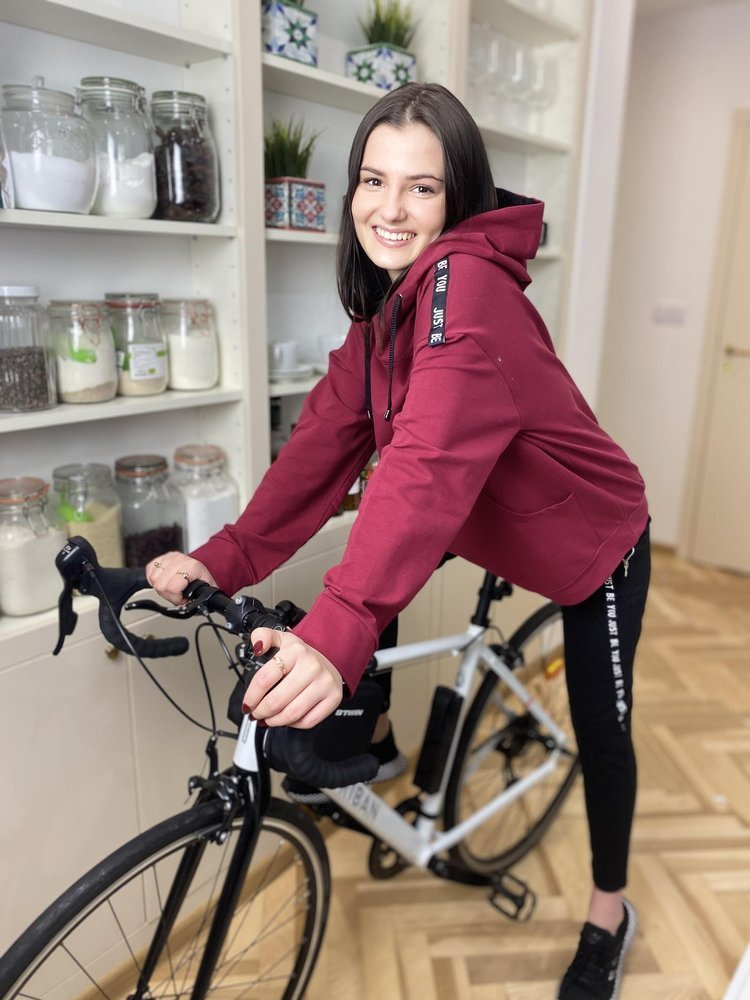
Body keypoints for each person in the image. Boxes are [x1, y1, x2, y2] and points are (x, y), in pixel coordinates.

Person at [147, 82, 650, 1000]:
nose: (390, 208)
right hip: (481, 507)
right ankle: (375, 734)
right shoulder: (387, 311)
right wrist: (220, 559)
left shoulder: (470, 292)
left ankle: (609, 915)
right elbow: (321, 450)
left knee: (601, 729)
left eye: (422, 187)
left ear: (458, 198)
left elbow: (423, 466)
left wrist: (339, 633)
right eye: (374, 180)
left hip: (589, 537)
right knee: (370, 548)